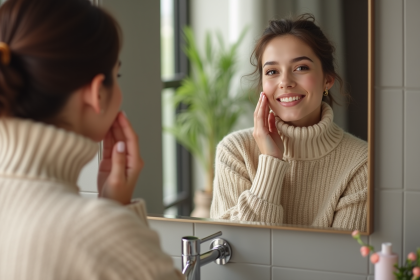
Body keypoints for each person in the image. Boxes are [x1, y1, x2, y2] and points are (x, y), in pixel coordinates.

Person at [0, 0, 183, 279]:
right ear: (97, 92)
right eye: (116, 74)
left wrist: (113, 210)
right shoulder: (98, 233)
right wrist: (117, 219)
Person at [210, 14, 367, 231]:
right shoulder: (235, 151)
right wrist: (270, 161)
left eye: (301, 68)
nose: (285, 82)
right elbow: (236, 251)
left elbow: (341, 260)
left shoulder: (361, 162)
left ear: (327, 80)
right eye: (272, 72)